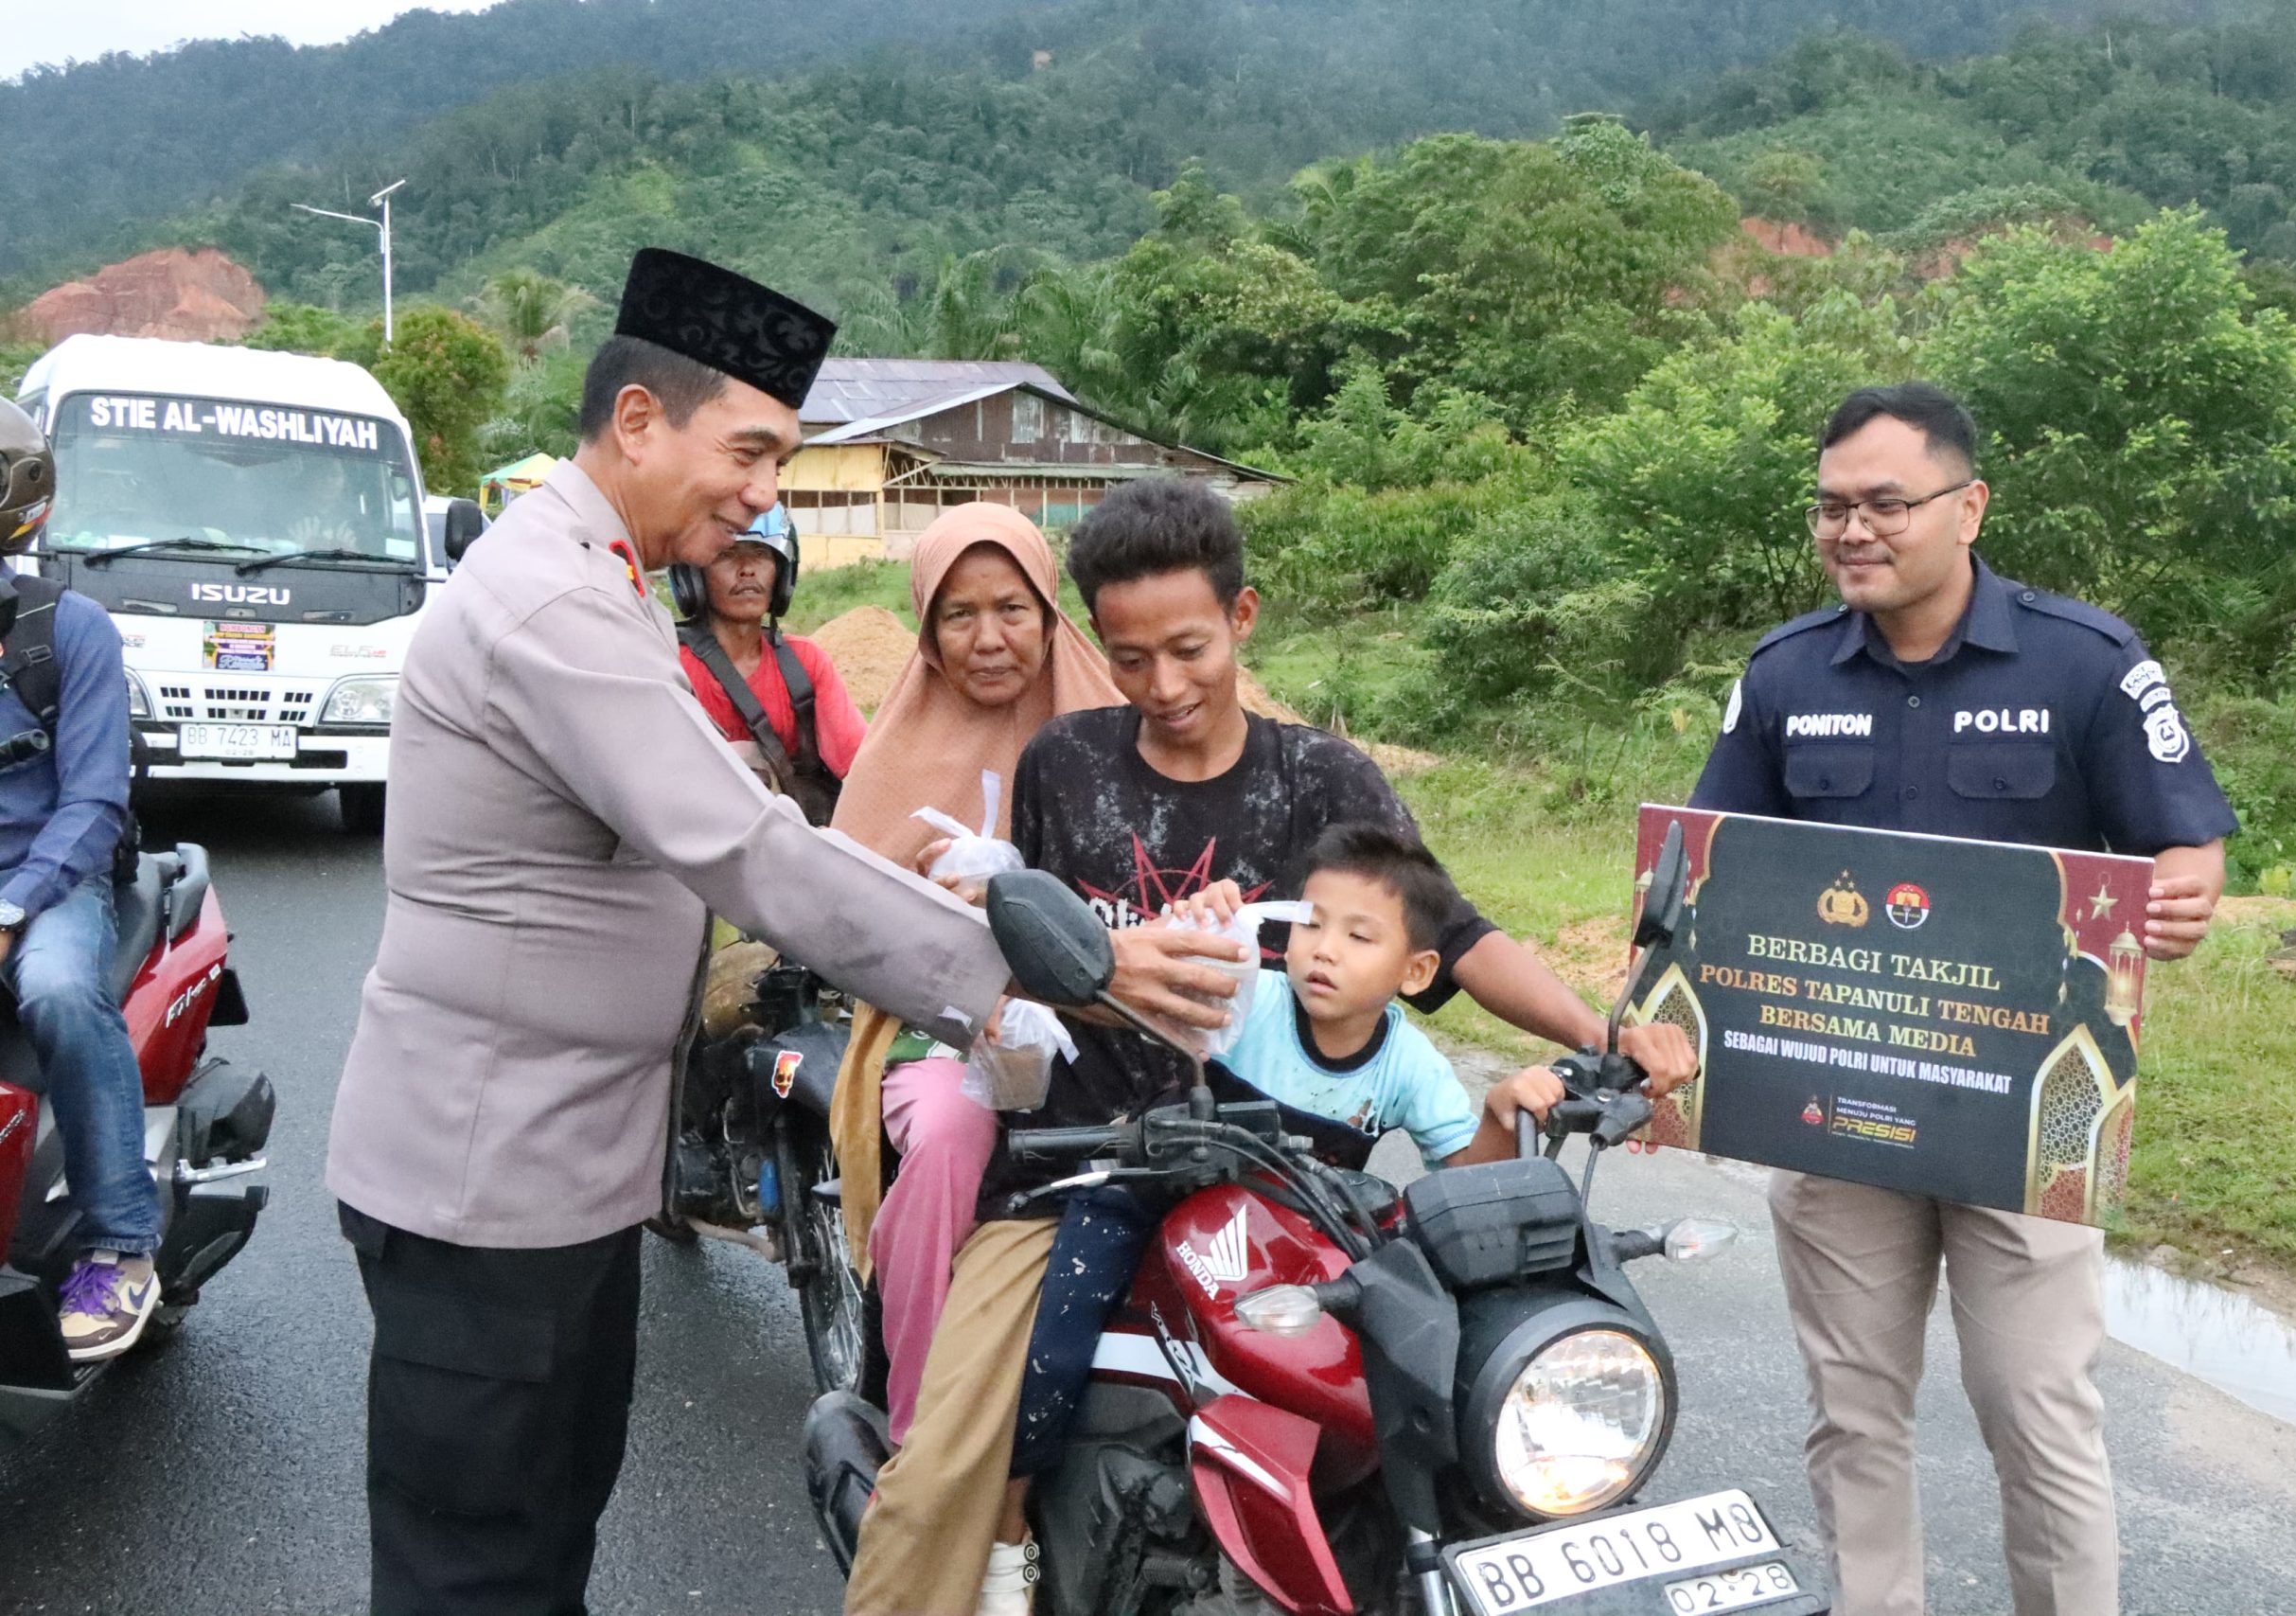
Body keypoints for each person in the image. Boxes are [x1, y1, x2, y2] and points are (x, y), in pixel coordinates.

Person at [322, 250, 1235, 1616]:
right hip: (484, 1172)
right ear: (640, 419)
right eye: (748, 451)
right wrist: (1053, 974)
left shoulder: (608, 574)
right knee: (477, 1563)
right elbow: (748, 846)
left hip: (558, 1165)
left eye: (782, 458)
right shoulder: (550, 600)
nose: (764, 493)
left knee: (541, 1531)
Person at [844, 478, 1697, 1616]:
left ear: (1242, 620)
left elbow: (1448, 932)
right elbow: (1032, 954)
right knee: (958, 1442)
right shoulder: (1066, 763)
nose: (1165, 685)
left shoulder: (1322, 781)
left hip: (1292, 1185)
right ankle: (987, 1559)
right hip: (1083, 1161)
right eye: (1132, 657)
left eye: (1190, 648)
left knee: (1448, 1389)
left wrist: (1603, 1035)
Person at [1689, 382, 2235, 1616]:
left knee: (2038, 1409)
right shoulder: (1782, 675)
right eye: (1832, 506)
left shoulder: (2088, 661)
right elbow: (1705, 864)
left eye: (1887, 501)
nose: (1853, 529)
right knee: (1852, 1407)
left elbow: (2183, 839)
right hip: (1834, 1104)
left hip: (2026, 1110)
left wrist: (2184, 893)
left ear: (1968, 504)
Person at [1008, 824, 1580, 1481]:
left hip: (1289, 1239)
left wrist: (1500, 1113)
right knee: (1056, 1343)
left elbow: (1460, 1182)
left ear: (1417, 971)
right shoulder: (1247, 1000)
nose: (1324, 952)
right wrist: (1200, 922)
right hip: (1152, 1192)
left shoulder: (1410, 1064)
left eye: (1358, 936)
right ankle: (1012, 1517)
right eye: (1311, 925)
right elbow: (1177, 979)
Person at [823, 501, 1125, 1445]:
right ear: (926, 628)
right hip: (940, 1033)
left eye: (1011, 609)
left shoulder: (1109, 729)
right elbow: (848, 916)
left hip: (1111, 1023)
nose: (989, 638)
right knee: (953, 1136)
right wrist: (967, 979)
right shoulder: (895, 753)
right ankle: (919, 1432)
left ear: (1048, 614)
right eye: (959, 615)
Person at [0, 399, 153, 1360]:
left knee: (57, 991)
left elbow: (94, 802)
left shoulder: (69, 632)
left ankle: (120, 1242)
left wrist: (13, 907)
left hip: (49, 883)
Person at [673, 505, 866, 824]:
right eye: (727, 554)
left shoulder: (804, 663)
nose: (747, 569)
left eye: (761, 555)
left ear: (782, 572)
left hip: (790, 850)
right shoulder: (669, 663)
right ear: (693, 574)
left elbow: (860, 768)